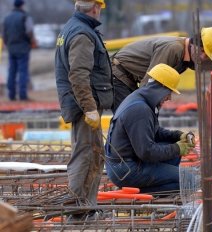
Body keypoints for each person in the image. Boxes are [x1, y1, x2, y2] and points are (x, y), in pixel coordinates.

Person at [54, 0, 112, 214]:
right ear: (96, 8)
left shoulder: (74, 27)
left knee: (92, 154)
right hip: (84, 106)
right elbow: (78, 75)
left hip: (81, 103)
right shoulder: (82, 34)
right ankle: (78, 211)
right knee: (87, 155)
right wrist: (89, 108)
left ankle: (85, 207)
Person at [105, 63, 195, 193]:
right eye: (169, 92)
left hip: (126, 164)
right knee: (189, 180)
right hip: (126, 170)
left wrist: (177, 135)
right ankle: (140, 190)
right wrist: (177, 148)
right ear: (161, 88)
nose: (169, 97)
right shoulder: (140, 110)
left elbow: (154, 132)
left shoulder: (141, 100)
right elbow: (146, 152)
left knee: (174, 152)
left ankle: (154, 182)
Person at [111, 27, 212, 112]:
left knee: (136, 115)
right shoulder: (174, 49)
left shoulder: (185, 58)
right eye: (201, 51)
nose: (202, 57)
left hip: (129, 77)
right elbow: (150, 82)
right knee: (130, 116)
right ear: (193, 43)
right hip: (119, 74)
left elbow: (160, 86)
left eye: (206, 56)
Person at [2, 0, 36, 101]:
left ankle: (11, 95)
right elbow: (29, 31)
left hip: (11, 48)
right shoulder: (25, 17)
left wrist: (8, 44)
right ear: (22, 5)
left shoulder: (7, 18)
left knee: (11, 71)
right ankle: (22, 95)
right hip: (23, 48)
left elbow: (4, 34)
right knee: (23, 72)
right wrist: (32, 41)